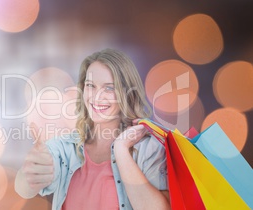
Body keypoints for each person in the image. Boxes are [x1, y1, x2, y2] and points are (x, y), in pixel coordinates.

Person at [15, 48, 170, 210]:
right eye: (91, 86)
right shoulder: (66, 147)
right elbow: (23, 189)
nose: (96, 97)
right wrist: (30, 173)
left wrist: (122, 151)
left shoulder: (149, 149)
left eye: (109, 88)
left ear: (127, 94)